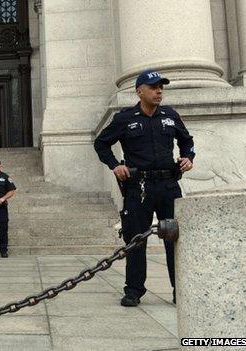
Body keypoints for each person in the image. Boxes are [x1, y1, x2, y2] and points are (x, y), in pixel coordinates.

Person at [94, 69, 195, 307]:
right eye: (153, 87)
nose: (159, 91)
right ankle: (134, 291)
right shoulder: (125, 118)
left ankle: (179, 290)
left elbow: (187, 140)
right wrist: (115, 165)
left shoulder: (170, 115)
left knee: (174, 240)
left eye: (161, 87)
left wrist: (187, 157)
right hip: (139, 188)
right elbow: (101, 143)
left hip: (169, 185)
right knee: (136, 239)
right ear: (139, 91)